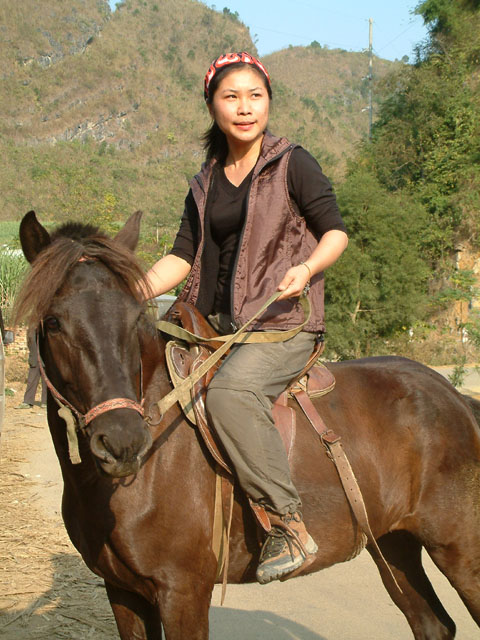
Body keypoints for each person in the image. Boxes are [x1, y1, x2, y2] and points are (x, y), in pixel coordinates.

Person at [142, 51, 348, 584]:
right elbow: (181, 257)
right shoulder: (206, 180)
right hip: (217, 329)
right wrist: (129, 287)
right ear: (212, 105)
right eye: (231, 96)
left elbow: (335, 232)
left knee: (231, 395)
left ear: (269, 102)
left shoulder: (291, 163)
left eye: (255, 95)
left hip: (284, 323)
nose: (244, 107)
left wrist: (306, 268)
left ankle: (288, 524)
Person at [16, 330, 47, 409]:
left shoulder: (46, 330)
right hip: (34, 360)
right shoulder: (31, 331)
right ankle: (28, 402)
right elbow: (29, 344)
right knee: (31, 381)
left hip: (46, 360)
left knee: (46, 382)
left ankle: (45, 402)